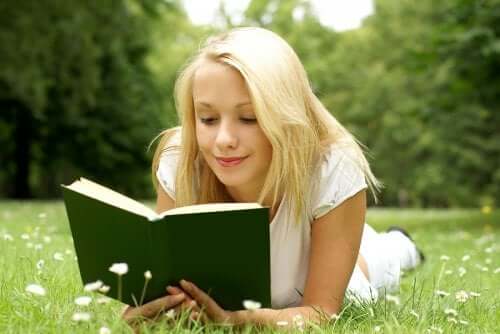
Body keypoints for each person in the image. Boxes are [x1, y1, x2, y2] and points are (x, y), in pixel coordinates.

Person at [122, 27, 424, 328]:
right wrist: (148, 309)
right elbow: (161, 287)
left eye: (249, 118)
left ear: (285, 115)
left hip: (338, 271)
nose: (224, 140)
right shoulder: (181, 161)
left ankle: (402, 244)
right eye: (208, 118)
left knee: (382, 260)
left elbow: (322, 313)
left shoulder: (332, 168)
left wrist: (236, 321)